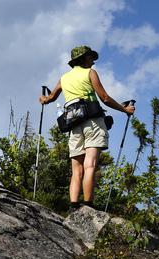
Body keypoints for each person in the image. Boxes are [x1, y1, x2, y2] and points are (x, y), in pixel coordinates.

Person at [39, 45, 135, 211]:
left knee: (76, 169)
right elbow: (104, 98)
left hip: (73, 124)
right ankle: (88, 206)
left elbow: (51, 98)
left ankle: (73, 206)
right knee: (90, 165)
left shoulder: (64, 78)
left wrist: (44, 99)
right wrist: (124, 109)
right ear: (83, 58)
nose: (93, 60)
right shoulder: (90, 73)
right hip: (93, 122)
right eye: (91, 57)